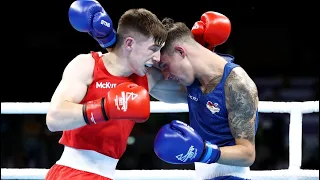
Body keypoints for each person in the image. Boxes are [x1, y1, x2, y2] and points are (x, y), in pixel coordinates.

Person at [45, 0, 167, 179]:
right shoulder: (87, 65)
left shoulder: (147, 76)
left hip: (105, 175)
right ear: (130, 43)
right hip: (71, 173)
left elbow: (189, 84)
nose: (157, 57)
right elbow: (54, 119)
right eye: (153, 49)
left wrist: (205, 46)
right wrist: (105, 108)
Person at [153, 12, 260, 180]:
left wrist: (203, 152)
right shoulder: (191, 81)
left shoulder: (237, 85)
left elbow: (247, 154)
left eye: (165, 65)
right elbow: (146, 77)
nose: (166, 75)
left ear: (181, 52)